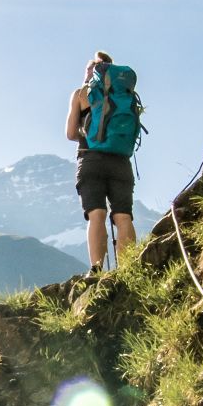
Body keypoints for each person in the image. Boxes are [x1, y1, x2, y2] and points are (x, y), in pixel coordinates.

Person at [66, 50, 136, 271]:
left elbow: (69, 133)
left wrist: (89, 133)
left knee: (97, 214)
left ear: (92, 71)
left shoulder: (81, 93)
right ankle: (127, 270)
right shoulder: (124, 93)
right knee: (123, 217)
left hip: (91, 159)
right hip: (121, 161)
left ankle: (96, 270)